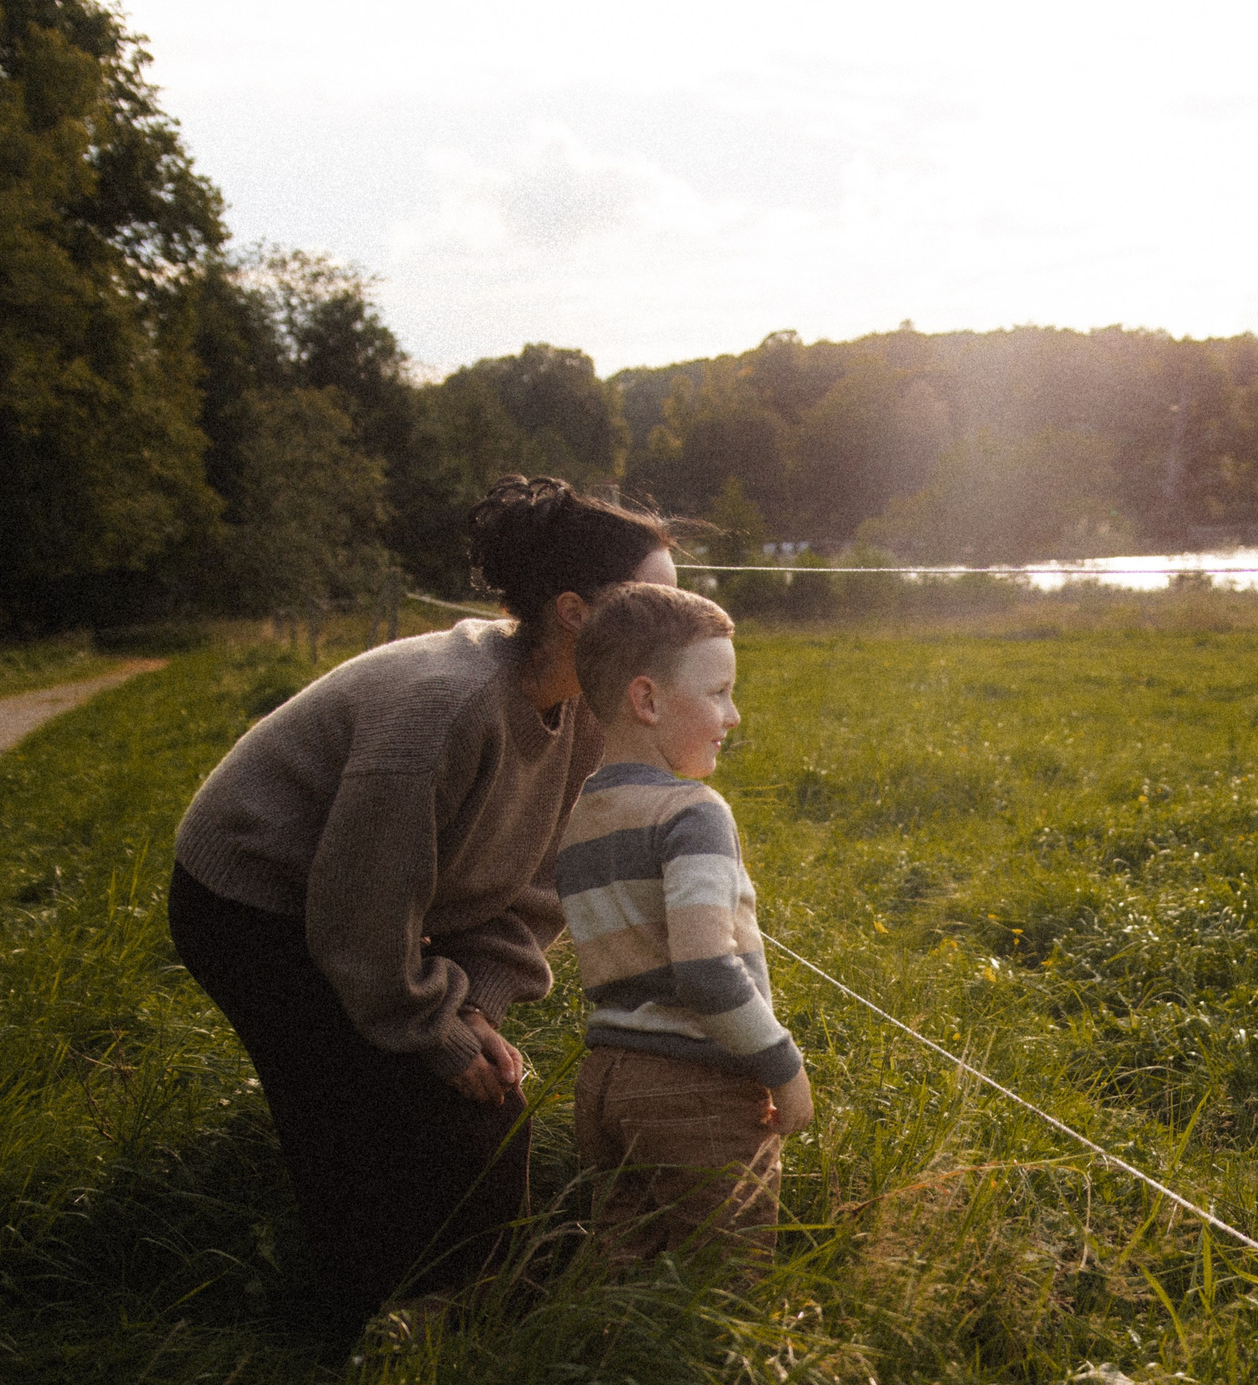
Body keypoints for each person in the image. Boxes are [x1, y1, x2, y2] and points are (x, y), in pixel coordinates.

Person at [169, 476, 680, 1337]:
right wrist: (430, 1028)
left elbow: (532, 890)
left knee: (479, 1100)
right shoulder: (445, 708)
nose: (682, 627)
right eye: (656, 606)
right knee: (360, 1104)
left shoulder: (587, 717)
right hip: (249, 901)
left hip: (369, 910)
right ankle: (351, 1331)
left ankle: (478, 1311)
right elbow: (355, 919)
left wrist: (475, 1005)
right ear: (576, 613)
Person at [555, 582, 813, 1273]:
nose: (734, 715)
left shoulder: (581, 819)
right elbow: (703, 970)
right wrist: (783, 1066)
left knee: (622, 1268)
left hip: (606, 1081)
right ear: (647, 700)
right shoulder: (694, 811)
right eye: (719, 692)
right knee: (726, 1282)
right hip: (696, 1087)